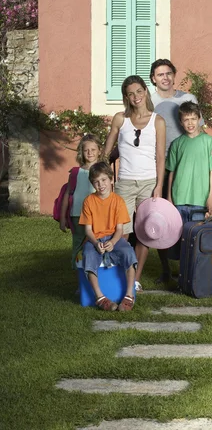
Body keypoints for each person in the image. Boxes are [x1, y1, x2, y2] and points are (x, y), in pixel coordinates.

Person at [150, 59, 212, 282]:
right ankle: (166, 268)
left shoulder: (188, 99)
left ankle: (192, 270)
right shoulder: (149, 101)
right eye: (160, 74)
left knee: (192, 227)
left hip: (190, 166)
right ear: (154, 78)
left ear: (174, 75)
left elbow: (205, 138)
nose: (165, 77)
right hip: (159, 164)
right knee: (164, 220)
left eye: (168, 73)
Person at [104, 75, 166, 293]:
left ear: (146, 92)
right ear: (126, 97)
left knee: (145, 232)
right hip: (125, 183)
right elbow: (107, 151)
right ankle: (120, 274)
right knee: (122, 232)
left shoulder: (158, 121)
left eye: (139, 91)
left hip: (149, 182)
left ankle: (136, 279)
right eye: (130, 93)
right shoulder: (120, 119)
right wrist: (104, 174)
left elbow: (160, 156)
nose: (136, 96)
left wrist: (158, 186)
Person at [79, 162, 137, 311]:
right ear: (93, 184)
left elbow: (119, 229)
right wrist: (95, 242)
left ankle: (129, 295)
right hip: (95, 239)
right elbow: (88, 230)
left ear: (111, 180)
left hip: (114, 237)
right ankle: (100, 298)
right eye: (96, 182)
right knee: (88, 255)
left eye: (104, 180)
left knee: (129, 252)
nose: (101, 184)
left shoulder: (118, 201)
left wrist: (113, 241)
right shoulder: (89, 201)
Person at [59, 134, 102, 286]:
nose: (90, 153)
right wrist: (63, 217)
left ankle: (96, 279)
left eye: (93, 149)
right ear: (81, 153)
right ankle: (81, 283)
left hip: (97, 217)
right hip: (77, 215)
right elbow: (67, 194)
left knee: (95, 246)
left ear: (99, 151)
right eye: (86, 150)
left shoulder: (104, 172)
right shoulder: (76, 173)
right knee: (78, 247)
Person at [167, 101, 212, 226]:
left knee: (196, 237)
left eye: (193, 119)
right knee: (178, 237)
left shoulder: (209, 141)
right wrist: (169, 197)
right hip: (178, 199)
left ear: (199, 119)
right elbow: (171, 173)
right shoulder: (176, 144)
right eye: (186, 120)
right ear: (181, 122)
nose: (190, 123)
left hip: (200, 200)